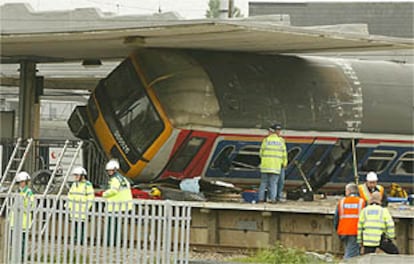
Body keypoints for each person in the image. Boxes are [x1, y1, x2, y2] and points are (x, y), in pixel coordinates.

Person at [102, 159, 133, 246]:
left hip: (114, 205)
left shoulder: (115, 179)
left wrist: (104, 194)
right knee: (117, 225)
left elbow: (114, 191)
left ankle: (110, 242)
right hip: (123, 205)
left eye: (110, 171)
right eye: (108, 171)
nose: (109, 172)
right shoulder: (123, 179)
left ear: (115, 170)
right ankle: (116, 242)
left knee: (111, 226)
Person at [333, 183, 365, 259]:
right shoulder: (361, 202)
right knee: (351, 255)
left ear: (349, 191)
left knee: (351, 252)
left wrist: (337, 229)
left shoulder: (342, 202)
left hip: (343, 231)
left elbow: (336, 218)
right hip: (355, 231)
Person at [259, 123, 287, 203]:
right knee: (274, 183)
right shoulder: (281, 141)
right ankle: (273, 199)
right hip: (276, 166)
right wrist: (284, 163)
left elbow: (261, 153)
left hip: (265, 166)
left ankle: (261, 199)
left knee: (263, 183)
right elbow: (284, 154)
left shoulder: (266, 140)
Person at [10, 171, 34, 260]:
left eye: (23, 182)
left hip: (24, 221)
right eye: (20, 182)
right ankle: (15, 255)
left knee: (22, 241)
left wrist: (24, 203)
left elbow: (31, 205)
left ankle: (22, 256)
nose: (21, 184)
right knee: (13, 240)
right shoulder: (17, 191)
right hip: (15, 221)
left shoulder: (28, 192)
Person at [67, 166, 94, 245]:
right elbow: (70, 195)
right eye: (75, 175)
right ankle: (76, 238)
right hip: (74, 209)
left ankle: (81, 239)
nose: (75, 177)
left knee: (81, 226)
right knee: (75, 225)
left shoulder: (87, 185)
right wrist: (68, 206)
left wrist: (87, 207)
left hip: (82, 209)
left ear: (82, 176)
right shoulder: (74, 184)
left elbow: (90, 197)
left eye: (77, 175)